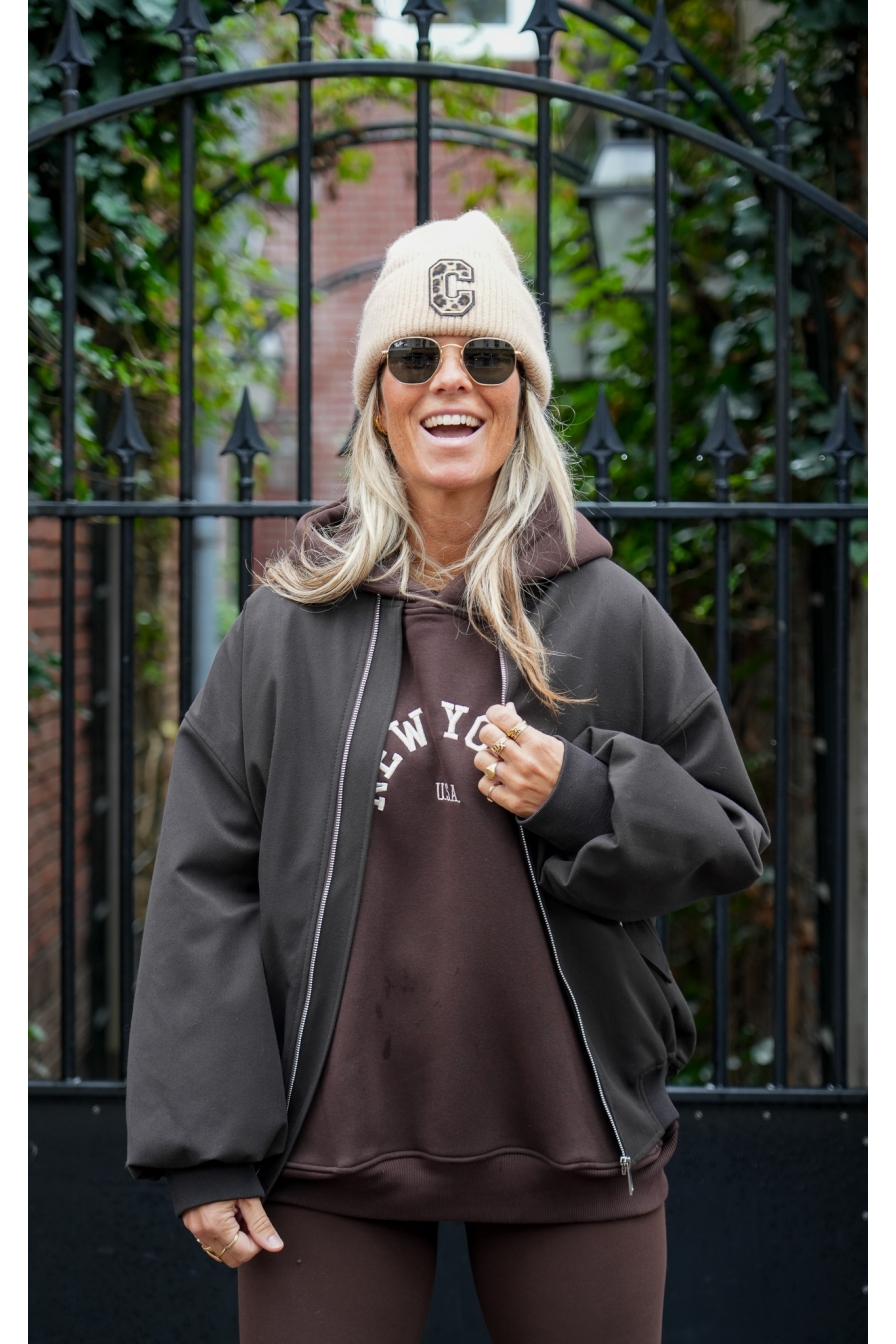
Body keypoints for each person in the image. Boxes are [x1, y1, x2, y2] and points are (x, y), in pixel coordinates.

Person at [126, 211, 769, 1344]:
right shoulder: (287, 624)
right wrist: (207, 1143)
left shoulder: (606, 609)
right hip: (327, 1150)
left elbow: (730, 832)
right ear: (377, 396)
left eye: (488, 356)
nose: (450, 382)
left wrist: (583, 797)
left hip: (573, 1140)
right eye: (415, 355)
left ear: (525, 392)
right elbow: (205, 881)